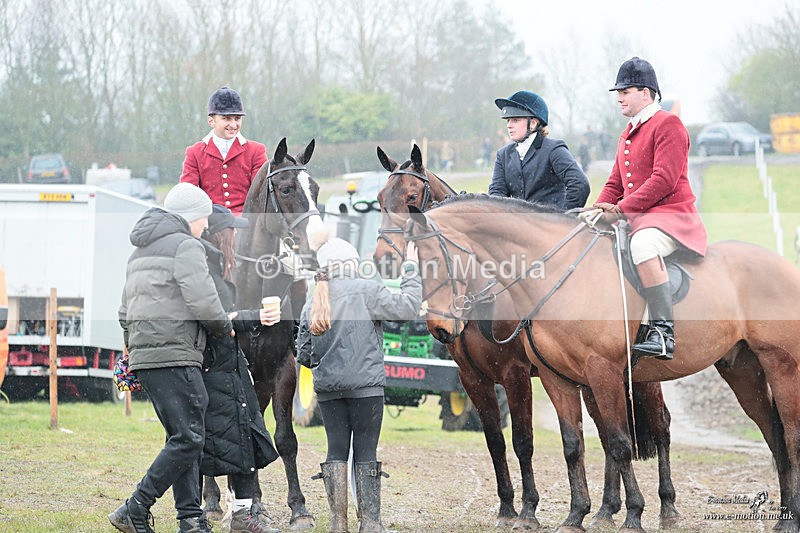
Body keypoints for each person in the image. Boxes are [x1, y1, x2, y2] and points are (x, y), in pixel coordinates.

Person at [111, 182, 233, 533]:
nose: (205, 227)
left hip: (146, 356)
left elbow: (123, 311)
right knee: (190, 437)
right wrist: (225, 328)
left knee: (182, 435)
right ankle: (135, 508)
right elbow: (204, 301)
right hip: (175, 353)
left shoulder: (139, 253)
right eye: (203, 220)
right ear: (190, 218)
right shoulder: (186, 246)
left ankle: (191, 519)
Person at [296, 237, 422, 533]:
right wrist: (412, 269)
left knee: (336, 449)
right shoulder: (366, 289)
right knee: (366, 451)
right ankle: (371, 523)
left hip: (328, 391)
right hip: (366, 388)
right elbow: (407, 308)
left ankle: (337, 525)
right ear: (350, 263)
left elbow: (302, 352)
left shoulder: (312, 300)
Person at [589, 57, 708, 360]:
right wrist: (598, 209)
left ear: (646, 92)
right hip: (641, 216)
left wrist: (620, 210)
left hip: (672, 216)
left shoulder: (669, 124)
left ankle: (663, 332)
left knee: (642, 246)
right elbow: (615, 182)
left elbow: (663, 180)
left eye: (625, 91)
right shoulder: (629, 131)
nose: (619, 98)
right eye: (618, 92)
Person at [199, 204, 283, 533]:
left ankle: (241, 513)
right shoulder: (206, 269)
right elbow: (216, 320)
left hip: (228, 366)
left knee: (246, 438)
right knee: (229, 441)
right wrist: (252, 318)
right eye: (232, 229)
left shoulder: (218, 268)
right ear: (222, 235)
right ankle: (193, 513)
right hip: (215, 368)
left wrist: (249, 320)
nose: (237, 235)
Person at [489, 91, 590, 210]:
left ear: (532, 123)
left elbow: (579, 184)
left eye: (515, 120)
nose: (509, 125)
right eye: (508, 120)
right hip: (516, 225)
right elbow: (497, 194)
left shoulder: (554, 149)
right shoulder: (503, 154)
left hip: (549, 225)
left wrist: (564, 218)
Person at [180, 86, 268, 216]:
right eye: (226, 118)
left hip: (246, 224)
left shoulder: (256, 151)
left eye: (237, 118)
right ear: (211, 121)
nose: (233, 125)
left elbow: (260, 195)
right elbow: (188, 195)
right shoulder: (195, 153)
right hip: (210, 223)